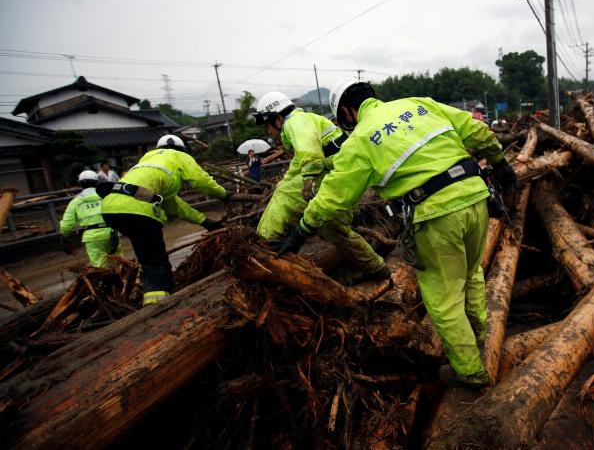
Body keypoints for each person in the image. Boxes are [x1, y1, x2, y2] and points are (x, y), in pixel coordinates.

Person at [273, 79, 519, 388]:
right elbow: (476, 131)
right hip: (474, 198)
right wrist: (501, 164)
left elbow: (332, 197)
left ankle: (470, 373)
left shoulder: (361, 139)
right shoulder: (418, 104)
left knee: (443, 300)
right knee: (470, 276)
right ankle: (479, 341)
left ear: (348, 112)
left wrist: (300, 233)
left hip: (435, 215)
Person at [253, 91, 388, 281]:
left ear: (277, 118)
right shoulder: (307, 120)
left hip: (329, 173)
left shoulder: (295, 121)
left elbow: (309, 152)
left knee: (284, 196)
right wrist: (287, 181)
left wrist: (307, 178)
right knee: (335, 230)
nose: (268, 131)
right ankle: (376, 267)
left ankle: (263, 245)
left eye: (267, 125)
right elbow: (295, 168)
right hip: (344, 175)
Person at [100, 135, 230, 306]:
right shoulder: (179, 156)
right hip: (137, 208)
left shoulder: (148, 161)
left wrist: (204, 221)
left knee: (147, 256)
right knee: (155, 260)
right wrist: (225, 194)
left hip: (110, 208)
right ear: (182, 148)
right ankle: (159, 305)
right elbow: (201, 180)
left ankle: (150, 292)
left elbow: (174, 205)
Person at [59, 170, 122, 268]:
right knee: (120, 263)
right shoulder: (105, 195)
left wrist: (64, 235)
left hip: (92, 237)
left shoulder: (75, 201)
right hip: (112, 233)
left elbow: (67, 224)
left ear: (80, 184)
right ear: (97, 182)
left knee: (101, 267)